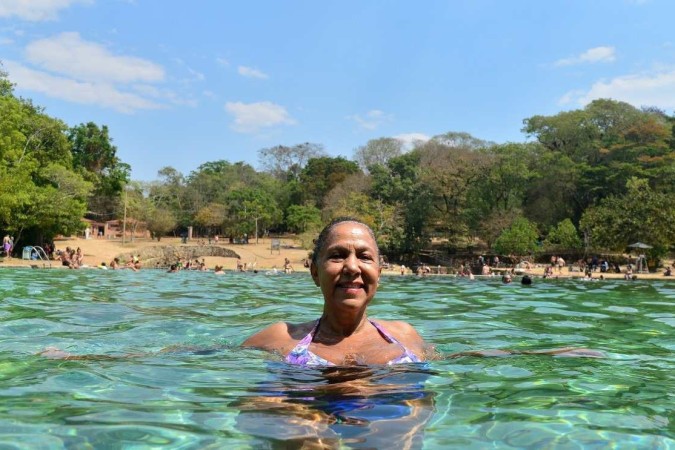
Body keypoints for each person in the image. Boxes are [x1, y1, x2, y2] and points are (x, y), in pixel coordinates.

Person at [243, 218, 427, 366]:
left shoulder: (405, 335)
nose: (352, 267)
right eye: (337, 256)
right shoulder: (281, 337)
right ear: (315, 273)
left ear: (378, 274)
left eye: (364, 256)